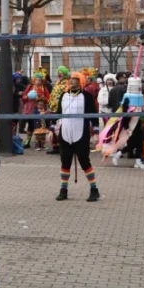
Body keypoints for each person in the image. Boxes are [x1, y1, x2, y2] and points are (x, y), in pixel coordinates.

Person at [55, 71, 100, 202]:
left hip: (81, 134)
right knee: (65, 162)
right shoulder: (63, 95)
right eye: (71, 81)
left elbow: (94, 115)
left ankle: (94, 189)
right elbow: (58, 114)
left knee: (85, 161)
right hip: (65, 134)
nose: (73, 83)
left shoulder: (87, 96)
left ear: (81, 83)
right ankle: (63, 190)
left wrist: (96, 132)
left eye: (76, 81)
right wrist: (53, 129)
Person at [47, 66, 70, 154]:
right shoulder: (57, 83)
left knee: (60, 128)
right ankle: (55, 147)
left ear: (65, 74)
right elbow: (53, 95)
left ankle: (62, 147)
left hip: (61, 109)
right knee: (52, 127)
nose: (59, 74)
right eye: (59, 72)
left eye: (61, 72)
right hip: (53, 108)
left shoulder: (67, 84)